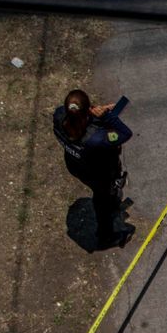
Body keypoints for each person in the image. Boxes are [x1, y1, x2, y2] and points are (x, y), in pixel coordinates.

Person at [54, 88, 134, 249]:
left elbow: (73, 114)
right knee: (102, 201)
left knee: (106, 195)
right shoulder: (95, 139)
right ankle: (106, 235)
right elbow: (125, 133)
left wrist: (92, 112)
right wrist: (106, 116)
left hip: (76, 166)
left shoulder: (59, 117)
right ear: (86, 113)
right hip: (99, 176)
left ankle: (111, 200)